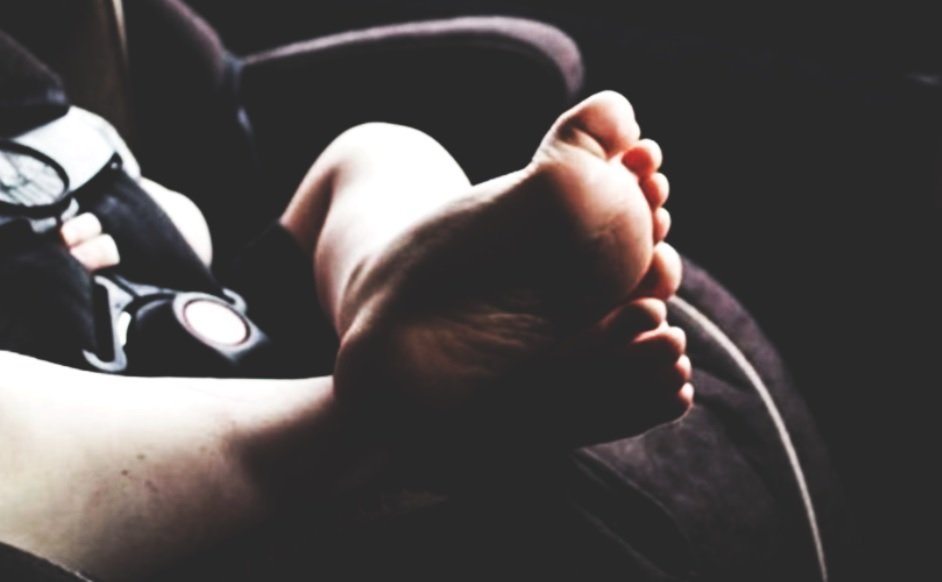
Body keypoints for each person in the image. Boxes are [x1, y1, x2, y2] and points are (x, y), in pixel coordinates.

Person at [0, 30, 850, 582]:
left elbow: (189, 210)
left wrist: (130, 209)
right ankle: (378, 413)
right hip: (94, 423)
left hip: (210, 313)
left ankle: (389, 283)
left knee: (374, 154)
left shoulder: (38, 99)